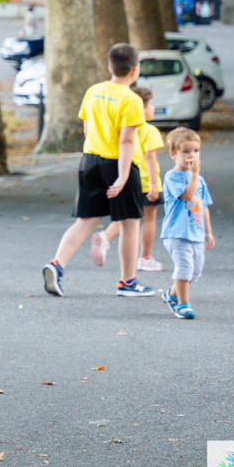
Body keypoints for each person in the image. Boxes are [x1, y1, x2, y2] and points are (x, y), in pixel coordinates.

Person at [41, 44, 156, 299]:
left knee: (86, 220)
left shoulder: (93, 91)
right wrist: (124, 176)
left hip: (90, 159)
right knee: (129, 223)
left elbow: (86, 127)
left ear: (109, 67)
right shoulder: (131, 100)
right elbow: (127, 141)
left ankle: (57, 264)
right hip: (117, 163)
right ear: (135, 71)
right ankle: (127, 282)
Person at [93, 87, 164, 272]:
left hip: (129, 177)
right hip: (147, 181)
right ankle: (145, 257)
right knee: (149, 219)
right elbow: (150, 158)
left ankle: (105, 238)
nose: (153, 108)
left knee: (127, 218)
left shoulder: (125, 127)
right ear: (143, 108)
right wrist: (155, 184)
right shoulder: (149, 130)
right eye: (152, 104)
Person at [159, 127, 214, 320]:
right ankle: (183, 304)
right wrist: (195, 174)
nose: (191, 156)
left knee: (195, 272)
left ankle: (171, 294)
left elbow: (204, 206)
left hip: (196, 233)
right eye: (186, 151)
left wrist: (208, 232)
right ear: (174, 154)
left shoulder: (200, 180)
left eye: (196, 151)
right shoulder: (172, 177)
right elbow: (187, 196)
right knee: (184, 269)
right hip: (177, 233)